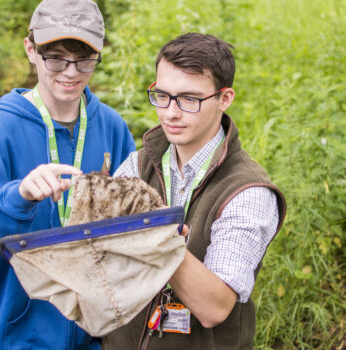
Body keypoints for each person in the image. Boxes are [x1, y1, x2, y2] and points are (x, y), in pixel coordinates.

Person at [0, 0, 135, 348]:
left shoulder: (111, 126)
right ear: (31, 49)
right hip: (16, 337)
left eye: (84, 58)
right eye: (56, 57)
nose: (70, 71)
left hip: (94, 336)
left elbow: (129, 225)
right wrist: (17, 198)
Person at [106, 33, 286, 349]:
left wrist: (157, 237)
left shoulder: (248, 192)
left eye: (189, 99)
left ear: (225, 98)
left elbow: (214, 307)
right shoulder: (137, 165)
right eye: (162, 95)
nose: (170, 113)